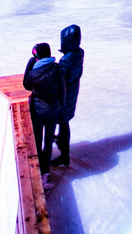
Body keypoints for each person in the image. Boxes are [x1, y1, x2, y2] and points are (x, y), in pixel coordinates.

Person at [23, 41, 66, 178]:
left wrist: (30, 64)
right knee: (48, 142)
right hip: (53, 111)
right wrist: (61, 110)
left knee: (37, 140)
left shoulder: (34, 73)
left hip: (38, 112)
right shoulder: (57, 69)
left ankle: (37, 170)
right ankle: (45, 172)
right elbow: (62, 91)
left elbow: (26, 85)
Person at [56, 24, 84, 168]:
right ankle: (61, 142)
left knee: (62, 120)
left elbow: (59, 77)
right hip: (72, 91)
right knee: (64, 121)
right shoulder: (79, 52)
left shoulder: (66, 59)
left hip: (65, 94)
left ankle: (64, 156)